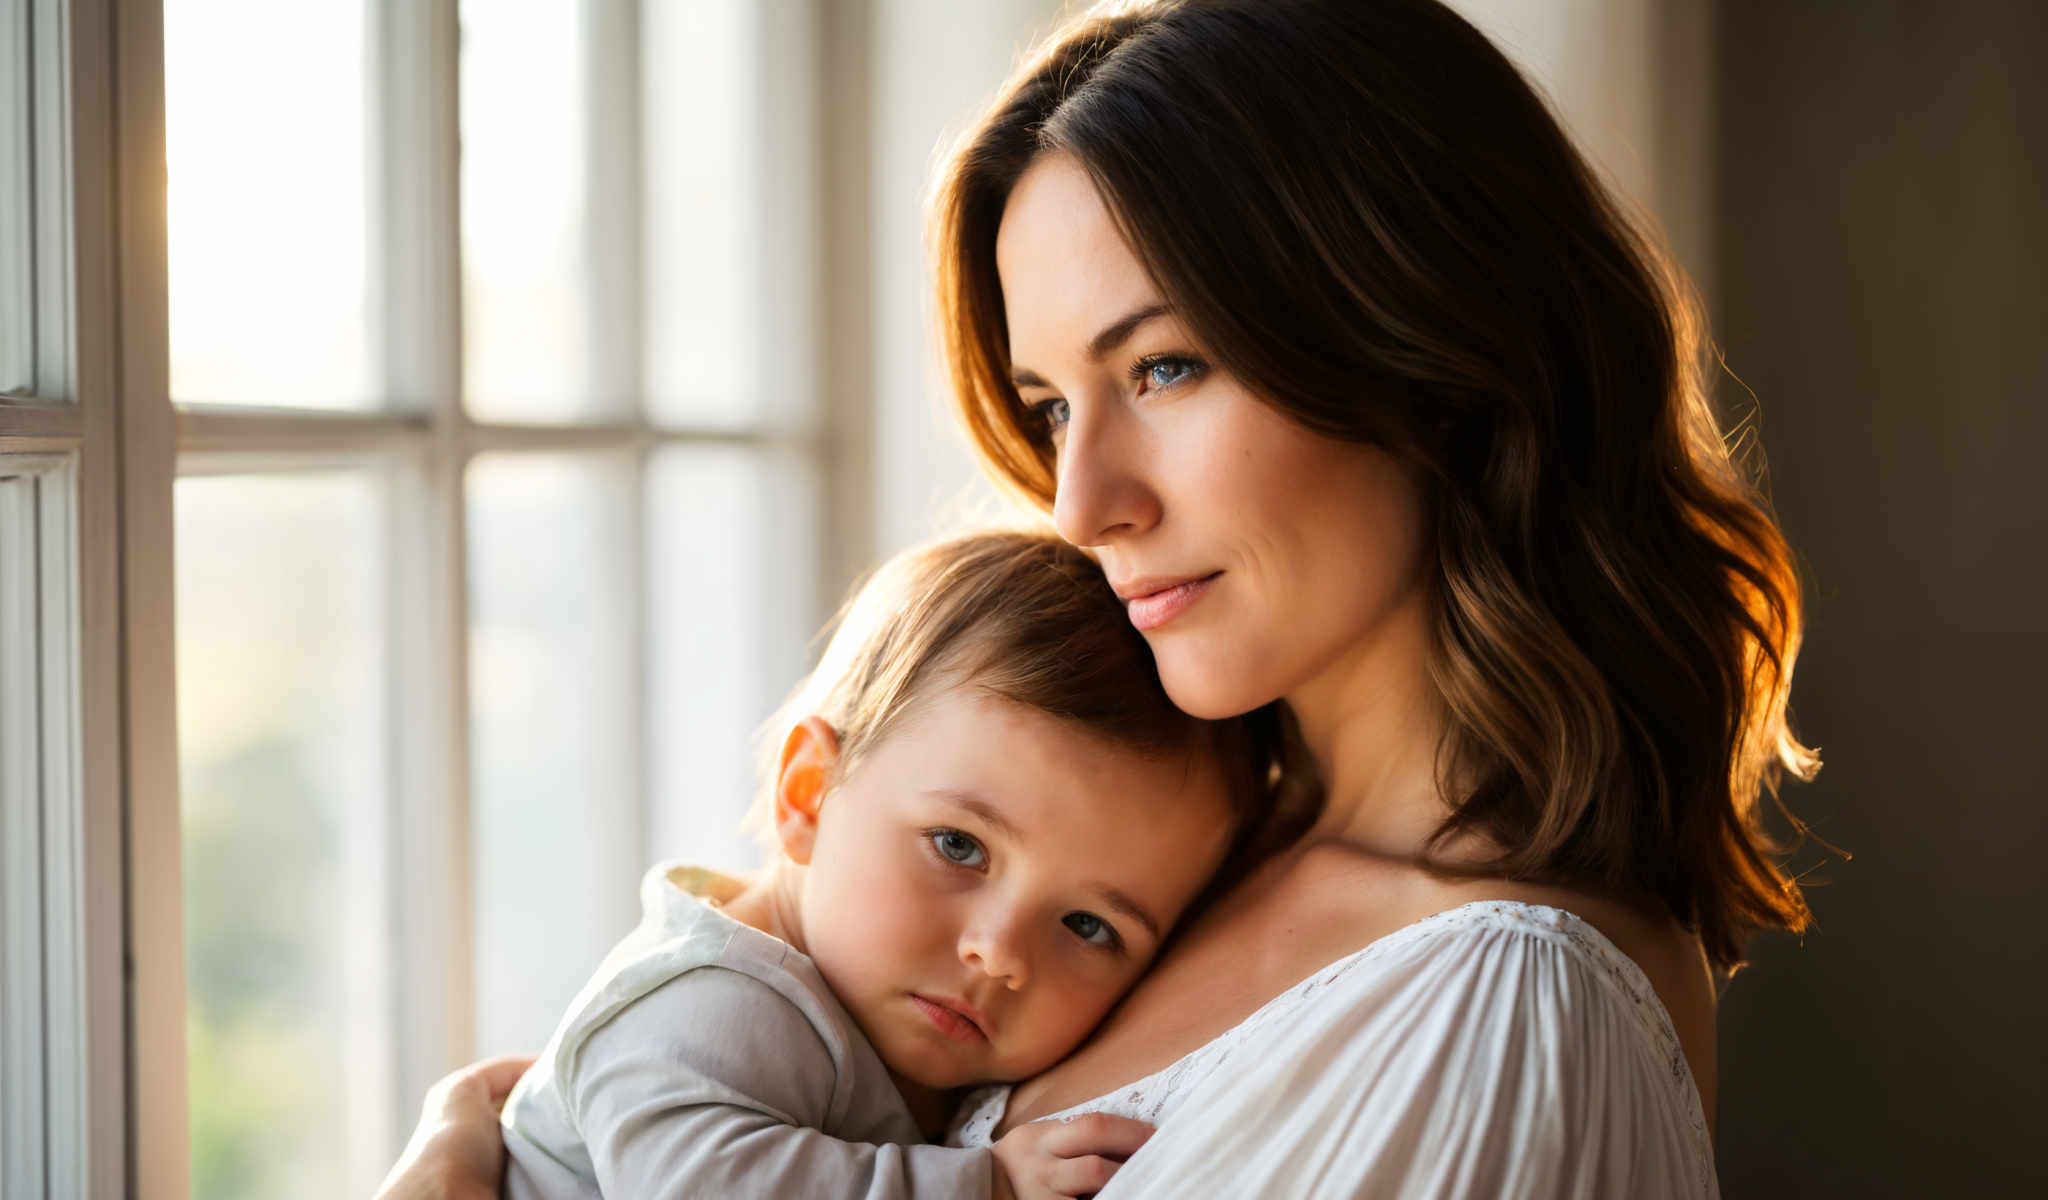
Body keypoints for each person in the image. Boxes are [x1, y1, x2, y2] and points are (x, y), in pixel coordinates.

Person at [379, 1, 1820, 1195]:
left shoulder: (1502, 1012)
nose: (1081, 506)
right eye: (1053, 405)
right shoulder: (1169, 852)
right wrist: (469, 1139)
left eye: (1164, 368)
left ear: (1434, 354)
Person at [490, 530, 1276, 1200]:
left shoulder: (871, 1013)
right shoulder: (711, 999)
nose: (998, 953)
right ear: (809, 794)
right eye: (959, 846)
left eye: (1087, 925)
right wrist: (983, 1184)